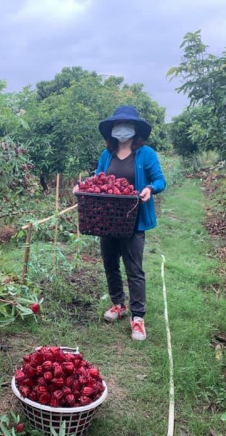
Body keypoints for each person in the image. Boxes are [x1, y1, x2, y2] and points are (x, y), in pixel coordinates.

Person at [75, 105, 166, 340]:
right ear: (112, 130)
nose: (121, 129)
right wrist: (82, 186)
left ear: (134, 130)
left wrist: (149, 188)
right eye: (117, 125)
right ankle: (118, 304)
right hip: (108, 219)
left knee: (134, 268)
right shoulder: (107, 154)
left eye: (126, 125)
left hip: (134, 220)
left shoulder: (146, 154)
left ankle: (138, 317)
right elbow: (98, 178)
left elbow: (159, 180)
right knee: (110, 264)